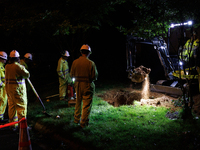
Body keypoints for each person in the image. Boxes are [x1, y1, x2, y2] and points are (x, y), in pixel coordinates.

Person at [70, 44, 98, 128]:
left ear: (81, 52)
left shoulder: (75, 62)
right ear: (89, 53)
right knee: (86, 104)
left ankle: (76, 120)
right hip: (87, 85)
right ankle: (83, 123)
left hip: (77, 85)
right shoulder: (91, 63)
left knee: (78, 102)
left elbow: (71, 74)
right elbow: (94, 77)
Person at [5, 50, 30, 131]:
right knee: (21, 107)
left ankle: (13, 125)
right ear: (18, 58)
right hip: (18, 91)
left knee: (12, 107)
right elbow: (27, 75)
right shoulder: (17, 66)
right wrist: (23, 68)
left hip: (9, 91)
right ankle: (22, 127)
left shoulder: (7, 66)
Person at [0, 51, 8, 123]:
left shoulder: (1, 66)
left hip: (2, 89)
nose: (6, 60)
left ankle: (1, 117)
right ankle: (0, 118)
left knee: (3, 102)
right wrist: (3, 85)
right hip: (1, 89)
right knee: (2, 102)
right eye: (4, 59)